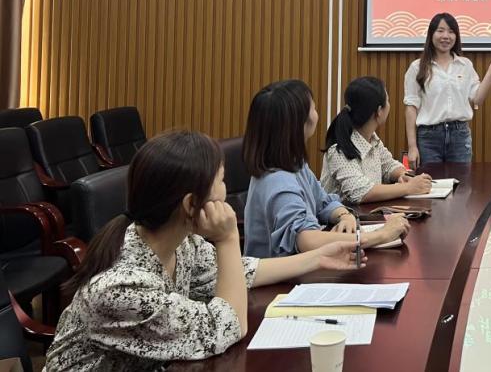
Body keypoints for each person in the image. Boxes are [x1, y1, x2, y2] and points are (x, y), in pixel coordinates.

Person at [45, 131, 367, 371]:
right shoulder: (124, 286)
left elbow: (242, 272)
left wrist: (319, 258)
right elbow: (227, 326)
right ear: (191, 204)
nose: (227, 191)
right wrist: (227, 238)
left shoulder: (179, 242)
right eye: (222, 181)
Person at [242, 79, 410, 258]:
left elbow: (323, 201)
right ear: (301, 123)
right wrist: (380, 235)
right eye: (313, 107)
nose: (317, 113)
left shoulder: (294, 163)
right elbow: (307, 239)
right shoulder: (278, 181)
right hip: (285, 274)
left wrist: (344, 216)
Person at [404, 12, 491, 167]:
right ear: (431, 34)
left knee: (462, 182)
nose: (446, 36)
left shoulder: (465, 65)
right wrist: (412, 147)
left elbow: (477, 99)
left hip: (460, 136)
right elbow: (411, 107)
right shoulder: (417, 67)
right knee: (430, 181)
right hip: (428, 137)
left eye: (451, 32)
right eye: (440, 31)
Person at [321, 76, 433, 204]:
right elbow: (361, 192)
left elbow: (388, 165)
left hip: (370, 212)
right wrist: (408, 188)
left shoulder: (371, 138)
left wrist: (402, 175)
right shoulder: (339, 148)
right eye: (388, 101)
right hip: (345, 216)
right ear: (379, 111)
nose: (389, 105)